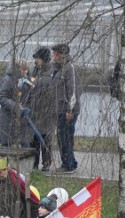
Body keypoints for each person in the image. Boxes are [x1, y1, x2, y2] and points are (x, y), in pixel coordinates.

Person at [50, 43, 80, 173]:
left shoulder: (69, 68)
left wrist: (70, 110)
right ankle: (69, 162)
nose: (53, 56)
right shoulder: (58, 69)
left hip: (67, 110)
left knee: (66, 137)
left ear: (61, 55)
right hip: (59, 109)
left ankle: (68, 164)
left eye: (56, 54)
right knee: (62, 137)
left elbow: (73, 90)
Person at [25, 47, 56, 171]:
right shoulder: (35, 71)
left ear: (43, 59)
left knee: (46, 138)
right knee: (34, 138)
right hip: (35, 110)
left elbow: (51, 90)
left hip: (47, 110)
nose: (35, 61)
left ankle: (46, 162)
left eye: (37, 58)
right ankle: (35, 162)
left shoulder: (51, 72)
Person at [0, 59, 32, 147]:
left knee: (23, 148)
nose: (26, 72)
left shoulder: (26, 81)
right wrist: (15, 106)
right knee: (4, 150)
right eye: (24, 69)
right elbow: (1, 97)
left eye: (27, 69)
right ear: (18, 69)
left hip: (22, 119)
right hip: (8, 119)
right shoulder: (7, 80)